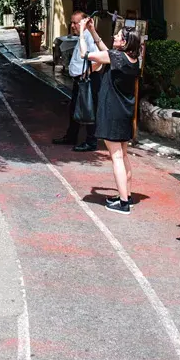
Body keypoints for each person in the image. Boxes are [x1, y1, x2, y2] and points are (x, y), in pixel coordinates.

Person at [88, 24, 142, 214]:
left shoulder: (117, 58)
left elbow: (92, 55)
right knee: (124, 155)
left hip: (112, 112)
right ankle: (125, 195)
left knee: (116, 157)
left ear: (124, 42)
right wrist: (93, 31)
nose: (114, 37)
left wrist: (81, 34)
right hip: (124, 113)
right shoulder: (133, 60)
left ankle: (124, 203)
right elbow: (107, 52)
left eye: (118, 36)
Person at [52, 11, 99, 151]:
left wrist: (86, 74)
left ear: (84, 22)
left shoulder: (89, 38)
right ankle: (71, 136)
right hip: (80, 79)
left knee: (89, 109)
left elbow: (99, 60)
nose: (72, 26)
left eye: (75, 23)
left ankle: (91, 141)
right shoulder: (82, 37)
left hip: (88, 79)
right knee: (74, 108)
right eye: (71, 22)